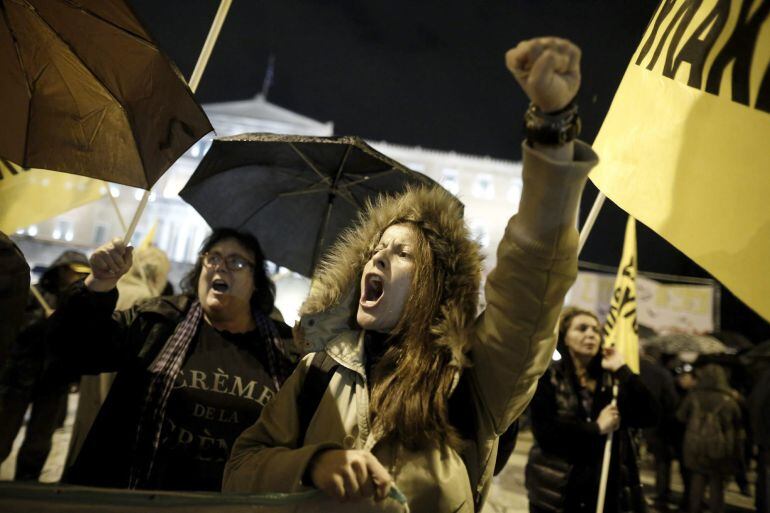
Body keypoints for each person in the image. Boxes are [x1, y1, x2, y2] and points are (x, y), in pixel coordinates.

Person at [222, 37, 597, 513]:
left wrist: (551, 130)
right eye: (375, 250)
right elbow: (241, 467)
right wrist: (315, 464)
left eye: (401, 254)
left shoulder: (473, 378)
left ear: (434, 285)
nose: (376, 259)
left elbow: (531, 280)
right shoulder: (318, 371)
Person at [47, 228, 295, 491]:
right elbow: (70, 350)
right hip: (138, 496)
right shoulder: (158, 320)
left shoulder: (283, 348)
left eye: (236, 262)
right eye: (213, 258)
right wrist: (98, 285)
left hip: (229, 502)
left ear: (256, 280)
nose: (220, 267)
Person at [525, 307, 659, 513]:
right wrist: (596, 428)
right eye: (582, 328)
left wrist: (623, 370)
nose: (591, 334)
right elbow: (546, 433)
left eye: (596, 330)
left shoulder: (611, 379)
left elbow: (650, 415)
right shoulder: (548, 377)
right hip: (558, 493)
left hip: (605, 492)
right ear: (565, 337)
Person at [0, 250, 90, 480]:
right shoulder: (34, 294)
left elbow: (80, 344)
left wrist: (74, 376)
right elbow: (13, 330)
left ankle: (27, 483)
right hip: (21, 376)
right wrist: (43, 323)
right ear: (61, 270)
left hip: (53, 380)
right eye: (74, 272)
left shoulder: (78, 303)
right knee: (4, 432)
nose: (78, 278)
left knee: (39, 440)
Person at [677, 364, 744, 513]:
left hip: (694, 445)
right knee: (716, 483)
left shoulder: (693, 396)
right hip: (718, 447)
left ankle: (694, 509)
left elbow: (680, 417)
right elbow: (736, 424)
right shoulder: (728, 400)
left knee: (697, 480)